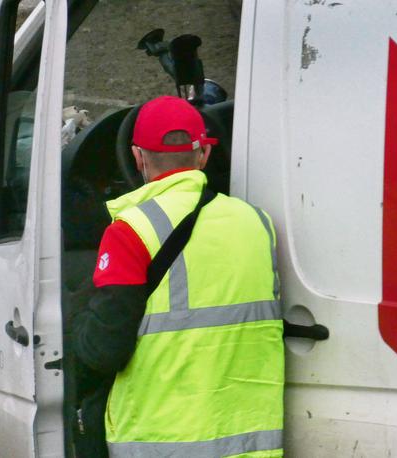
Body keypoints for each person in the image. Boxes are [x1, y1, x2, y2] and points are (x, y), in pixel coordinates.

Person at [72, 95, 285, 457]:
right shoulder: (259, 224)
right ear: (203, 155)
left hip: (162, 444)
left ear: (138, 158)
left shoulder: (130, 231)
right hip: (251, 445)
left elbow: (104, 350)